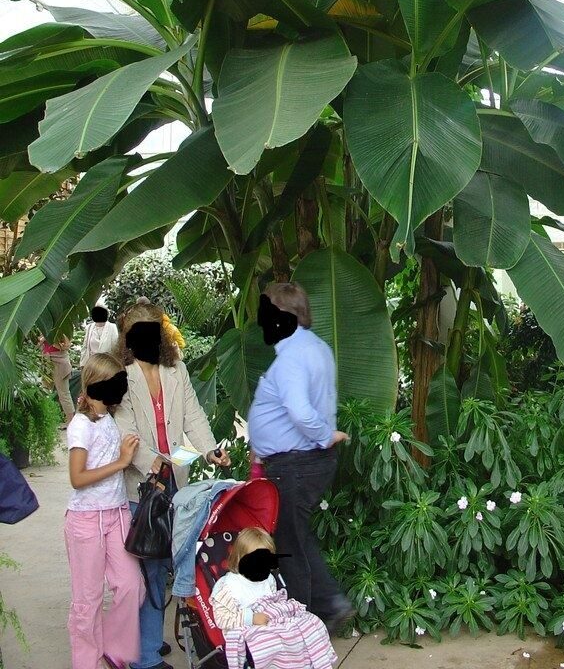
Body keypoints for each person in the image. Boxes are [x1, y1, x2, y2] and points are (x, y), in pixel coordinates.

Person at [113, 301, 230, 669]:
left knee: (169, 564)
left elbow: (193, 414)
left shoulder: (175, 369)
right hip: (142, 487)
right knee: (148, 570)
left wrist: (210, 449)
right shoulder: (121, 374)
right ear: (128, 340)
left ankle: (150, 640)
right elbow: (125, 432)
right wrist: (153, 463)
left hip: (176, 480)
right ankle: (144, 658)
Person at [247, 283, 353, 636]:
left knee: (289, 545)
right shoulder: (315, 347)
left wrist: (325, 435)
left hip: (295, 464)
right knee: (296, 538)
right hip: (302, 462)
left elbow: (299, 410)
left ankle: (311, 621)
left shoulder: (292, 356)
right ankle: (323, 609)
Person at [65, 353, 145, 669]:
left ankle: (113, 649)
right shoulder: (80, 425)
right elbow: (77, 477)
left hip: (116, 514)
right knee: (87, 602)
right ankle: (87, 661)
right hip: (86, 520)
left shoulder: (109, 419)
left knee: (131, 585)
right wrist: (122, 462)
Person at [210, 527, 337, 669]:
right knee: (273, 643)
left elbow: (273, 601)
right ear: (240, 558)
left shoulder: (268, 579)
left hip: (272, 622)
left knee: (310, 624)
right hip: (248, 629)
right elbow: (221, 619)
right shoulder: (229, 587)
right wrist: (251, 618)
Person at [39, 333, 75, 427]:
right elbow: (38, 342)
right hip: (47, 359)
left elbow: (67, 345)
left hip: (59, 361)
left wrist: (50, 338)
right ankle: (43, 419)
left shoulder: (61, 327)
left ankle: (70, 421)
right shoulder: (45, 324)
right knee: (44, 390)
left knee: (63, 393)